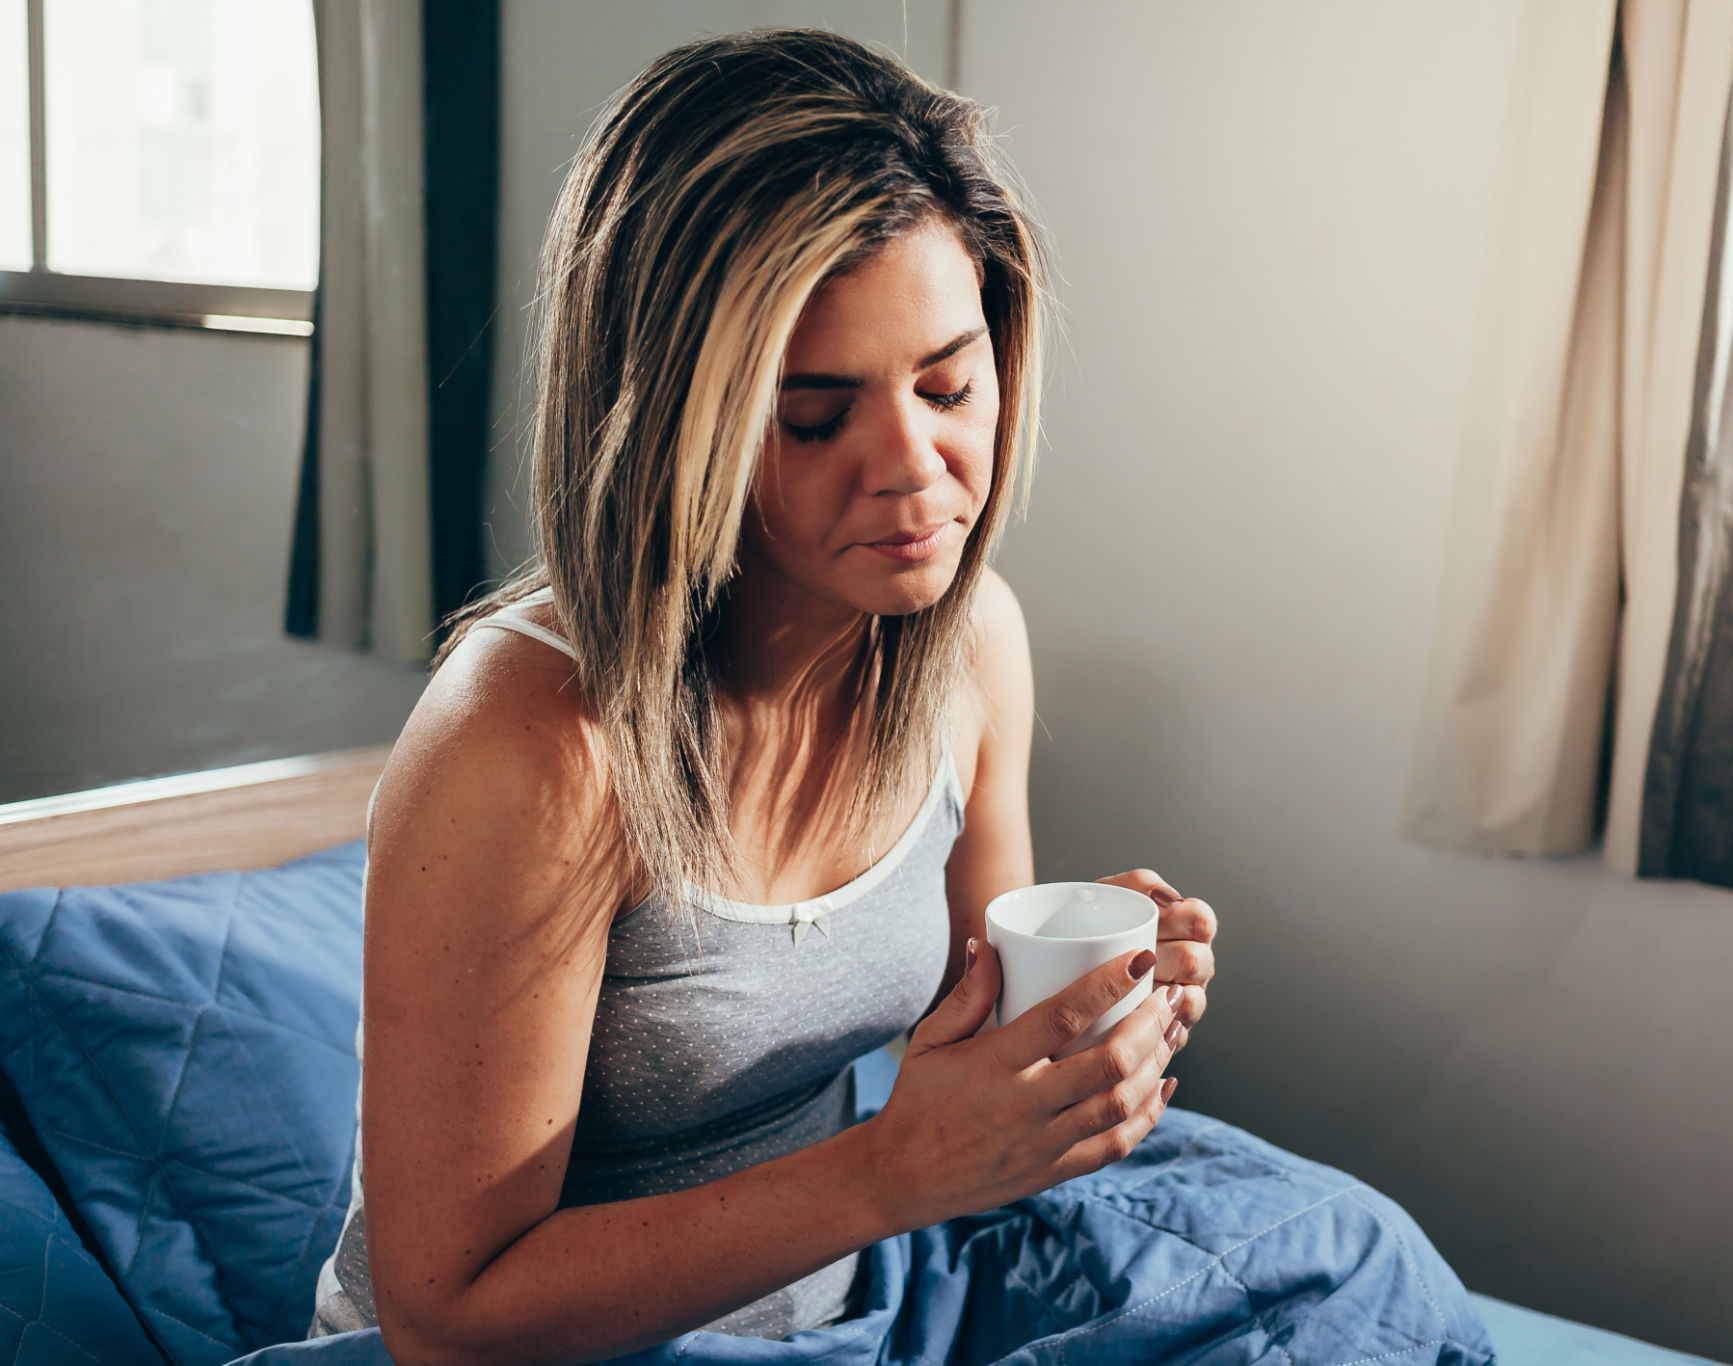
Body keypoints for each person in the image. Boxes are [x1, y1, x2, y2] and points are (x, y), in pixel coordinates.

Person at [310, 28, 1491, 1366]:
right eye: (815, 416)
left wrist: (1090, 1018)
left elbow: (967, 1047)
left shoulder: (970, 645)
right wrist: (886, 1174)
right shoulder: (531, 744)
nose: (915, 468)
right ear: (666, 419)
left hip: (862, 1282)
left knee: (1351, 1270)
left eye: (947, 382)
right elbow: (449, 1316)